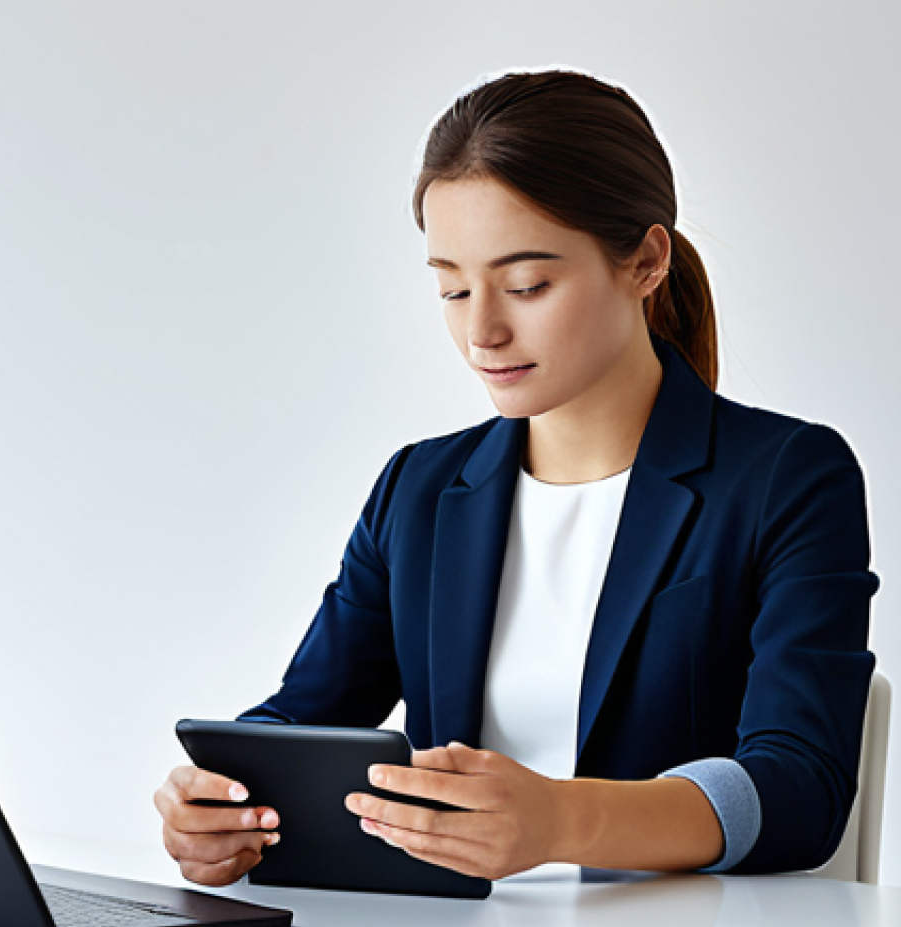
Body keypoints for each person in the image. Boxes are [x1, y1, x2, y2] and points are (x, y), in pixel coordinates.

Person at [154, 68, 878, 885]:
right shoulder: (420, 489)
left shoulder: (786, 478)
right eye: (452, 288)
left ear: (645, 261)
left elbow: (800, 786)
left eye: (528, 284)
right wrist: (224, 808)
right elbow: (305, 721)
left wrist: (562, 819)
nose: (483, 331)